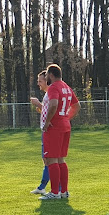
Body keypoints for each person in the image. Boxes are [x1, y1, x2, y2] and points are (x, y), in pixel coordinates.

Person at [39, 64, 81, 200]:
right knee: (61, 159)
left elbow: (54, 104)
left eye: (46, 76)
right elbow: (77, 106)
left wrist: (47, 121)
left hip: (54, 128)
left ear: (51, 75)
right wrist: (65, 118)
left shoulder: (54, 87)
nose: (46, 78)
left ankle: (55, 192)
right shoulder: (66, 87)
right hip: (65, 126)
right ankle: (64, 191)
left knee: (51, 159)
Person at [29, 71, 51, 195]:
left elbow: (52, 111)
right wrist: (41, 108)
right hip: (44, 131)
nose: (38, 84)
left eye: (40, 81)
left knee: (50, 159)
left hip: (48, 131)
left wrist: (38, 104)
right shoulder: (47, 95)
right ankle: (43, 186)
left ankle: (52, 187)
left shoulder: (50, 94)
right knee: (46, 159)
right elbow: (48, 110)